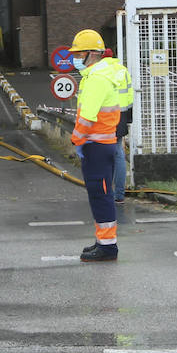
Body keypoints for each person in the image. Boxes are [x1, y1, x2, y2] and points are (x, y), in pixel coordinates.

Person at [68, 29, 127, 262]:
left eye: (78, 53)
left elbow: (87, 117)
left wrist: (76, 140)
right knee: (99, 194)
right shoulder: (98, 75)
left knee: (101, 195)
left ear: (91, 54)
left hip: (96, 145)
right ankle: (103, 242)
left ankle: (108, 247)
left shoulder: (97, 78)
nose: (75, 57)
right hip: (99, 145)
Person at [106, 50, 134, 203]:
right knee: (119, 154)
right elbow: (130, 96)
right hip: (121, 116)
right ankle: (119, 195)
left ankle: (106, 193)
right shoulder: (123, 71)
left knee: (104, 155)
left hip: (106, 117)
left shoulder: (100, 71)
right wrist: (128, 118)